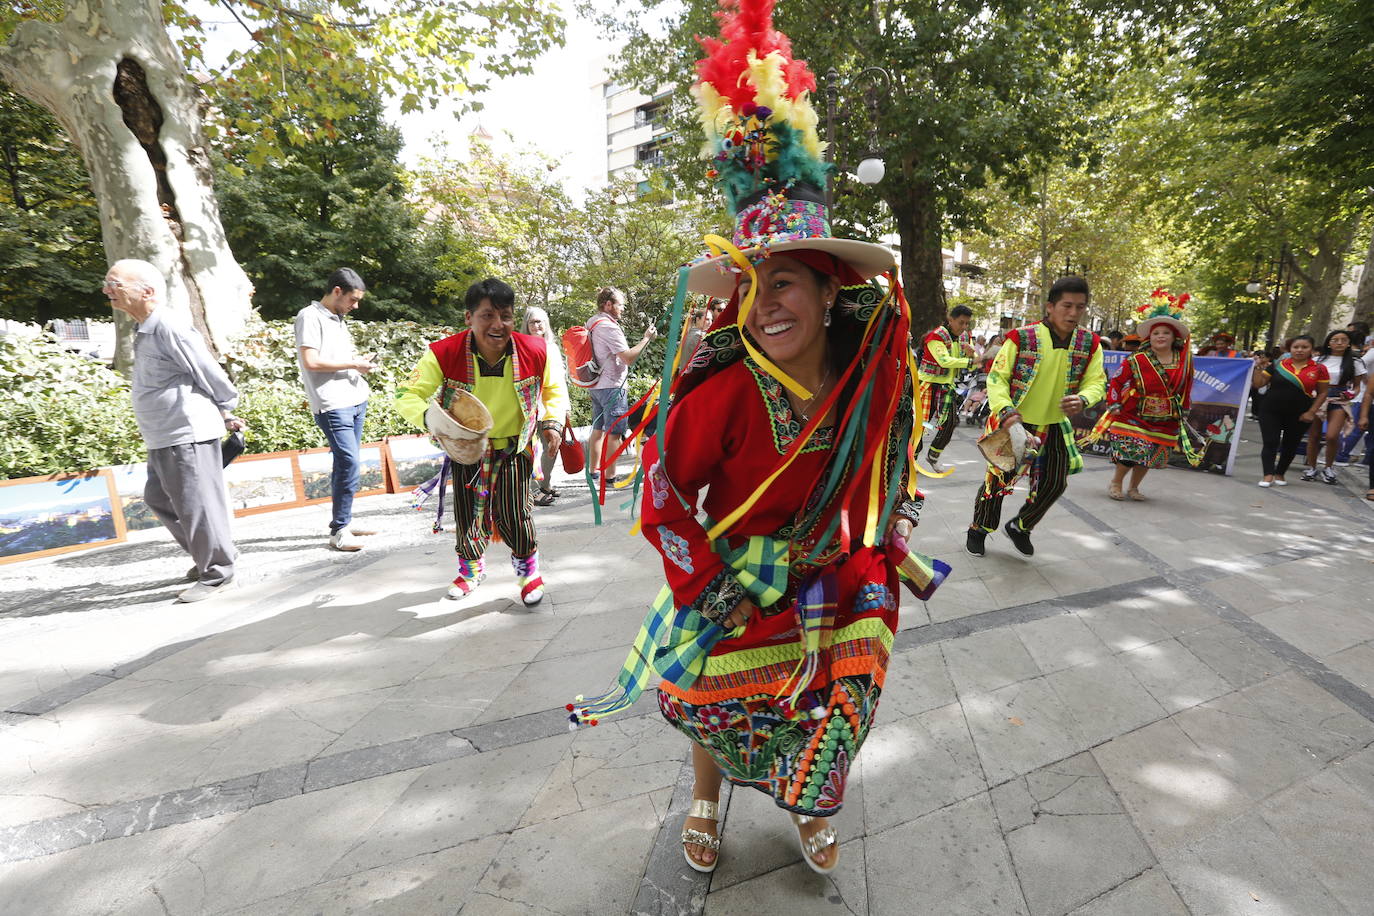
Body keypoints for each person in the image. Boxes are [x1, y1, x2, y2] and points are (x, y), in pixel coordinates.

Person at [571, 3, 947, 878]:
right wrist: (706, 586)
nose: (767, 301)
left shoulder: (875, 375)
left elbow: (894, 455)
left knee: (841, 701)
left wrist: (893, 525)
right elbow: (660, 489)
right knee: (713, 696)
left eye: (785, 282)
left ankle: (812, 798)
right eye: (753, 284)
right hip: (739, 576)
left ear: (827, 292)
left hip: (844, 572)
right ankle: (706, 797)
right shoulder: (726, 386)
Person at [395, 279, 569, 605]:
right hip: (467, 450)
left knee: (516, 513)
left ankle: (528, 571)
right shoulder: (443, 353)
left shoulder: (538, 351)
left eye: (505, 315)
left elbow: (555, 391)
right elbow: (407, 394)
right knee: (468, 514)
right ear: (468, 318)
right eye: (487, 315)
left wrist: (551, 424)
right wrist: (435, 422)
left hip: (515, 449)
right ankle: (471, 570)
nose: (497, 324)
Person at [104, 259, 242, 602]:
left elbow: (207, 371)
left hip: (186, 431)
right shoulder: (145, 327)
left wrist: (227, 408)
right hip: (164, 434)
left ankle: (218, 573)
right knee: (159, 497)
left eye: (116, 285)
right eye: (107, 284)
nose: (108, 291)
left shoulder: (168, 326)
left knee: (197, 505)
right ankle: (213, 552)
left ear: (147, 291)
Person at [966, 276, 1107, 558]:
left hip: (1055, 423)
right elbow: (997, 378)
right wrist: (1005, 411)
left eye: (1080, 307)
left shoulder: (1089, 342)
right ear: (1050, 307)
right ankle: (978, 529)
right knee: (999, 480)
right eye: (1067, 305)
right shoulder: (1022, 337)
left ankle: (1021, 525)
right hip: (1016, 421)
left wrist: (1084, 398)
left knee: (1056, 482)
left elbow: (1097, 382)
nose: (1073, 313)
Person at [294, 268, 378, 552]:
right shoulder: (310, 316)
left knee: (346, 464)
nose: (355, 306)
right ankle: (339, 530)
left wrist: (356, 360)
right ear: (337, 291)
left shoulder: (338, 319)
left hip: (354, 399)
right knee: (349, 462)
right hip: (332, 404)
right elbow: (311, 362)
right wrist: (354, 364)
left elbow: (333, 358)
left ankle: (344, 521)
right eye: (352, 300)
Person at [1100, 290, 1200, 500]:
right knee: (1131, 451)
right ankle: (1116, 482)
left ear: (1174, 338)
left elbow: (1186, 388)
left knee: (1150, 454)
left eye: (1165, 333)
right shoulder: (1136, 360)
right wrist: (1114, 402)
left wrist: (1184, 410)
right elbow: (1117, 381)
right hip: (1133, 413)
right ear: (1149, 337)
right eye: (1156, 333)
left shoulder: (1185, 362)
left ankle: (1134, 487)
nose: (1160, 336)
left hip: (1166, 416)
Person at [586, 287, 657, 483]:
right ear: (608, 305)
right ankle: (610, 477)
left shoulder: (592, 322)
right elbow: (628, 358)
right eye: (620, 304)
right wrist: (646, 339)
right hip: (612, 387)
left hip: (595, 385)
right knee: (615, 433)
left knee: (598, 429)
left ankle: (593, 472)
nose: (623, 309)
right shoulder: (609, 327)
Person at [1252, 334, 1328, 487]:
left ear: (1311, 349)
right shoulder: (1278, 364)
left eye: (1304, 347)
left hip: (1300, 413)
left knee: (1290, 444)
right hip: (1270, 409)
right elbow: (1259, 384)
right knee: (1270, 441)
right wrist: (1258, 367)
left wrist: (1311, 412)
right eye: (1296, 347)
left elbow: (1323, 393)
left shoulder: (1319, 368)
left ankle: (1280, 473)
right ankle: (1268, 474)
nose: (1299, 350)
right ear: (1290, 349)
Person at [1300, 329, 1366, 483]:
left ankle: (1329, 468)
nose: (1339, 343)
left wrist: (1351, 394)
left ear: (1349, 343)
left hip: (1339, 399)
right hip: (1318, 399)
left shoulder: (1355, 362)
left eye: (1343, 340)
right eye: (1335, 340)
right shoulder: (1317, 360)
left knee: (1332, 436)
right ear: (1328, 343)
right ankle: (1312, 468)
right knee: (1314, 436)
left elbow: (1357, 387)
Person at [916, 304, 975, 470]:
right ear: (951, 319)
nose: (964, 327)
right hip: (928, 384)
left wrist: (973, 355)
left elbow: (970, 365)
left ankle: (933, 456)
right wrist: (972, 360)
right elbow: (945, 361)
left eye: (966, 324)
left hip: (946, 386)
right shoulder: (936, 336)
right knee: (920, 424)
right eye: (961, 323)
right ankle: (910, 459)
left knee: (950, 422)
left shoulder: (964, 337)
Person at [522, 306, 568, 506]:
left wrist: (565, 407)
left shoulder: (553, 347)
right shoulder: (522, 347)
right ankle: (533, 490)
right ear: (527, 324)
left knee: (553, 445)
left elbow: (559, 381)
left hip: (552, 405)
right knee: (529, 450)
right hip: (530, 406)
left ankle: (545, 485)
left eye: (540, 321)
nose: (536, 325)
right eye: (532, 321)